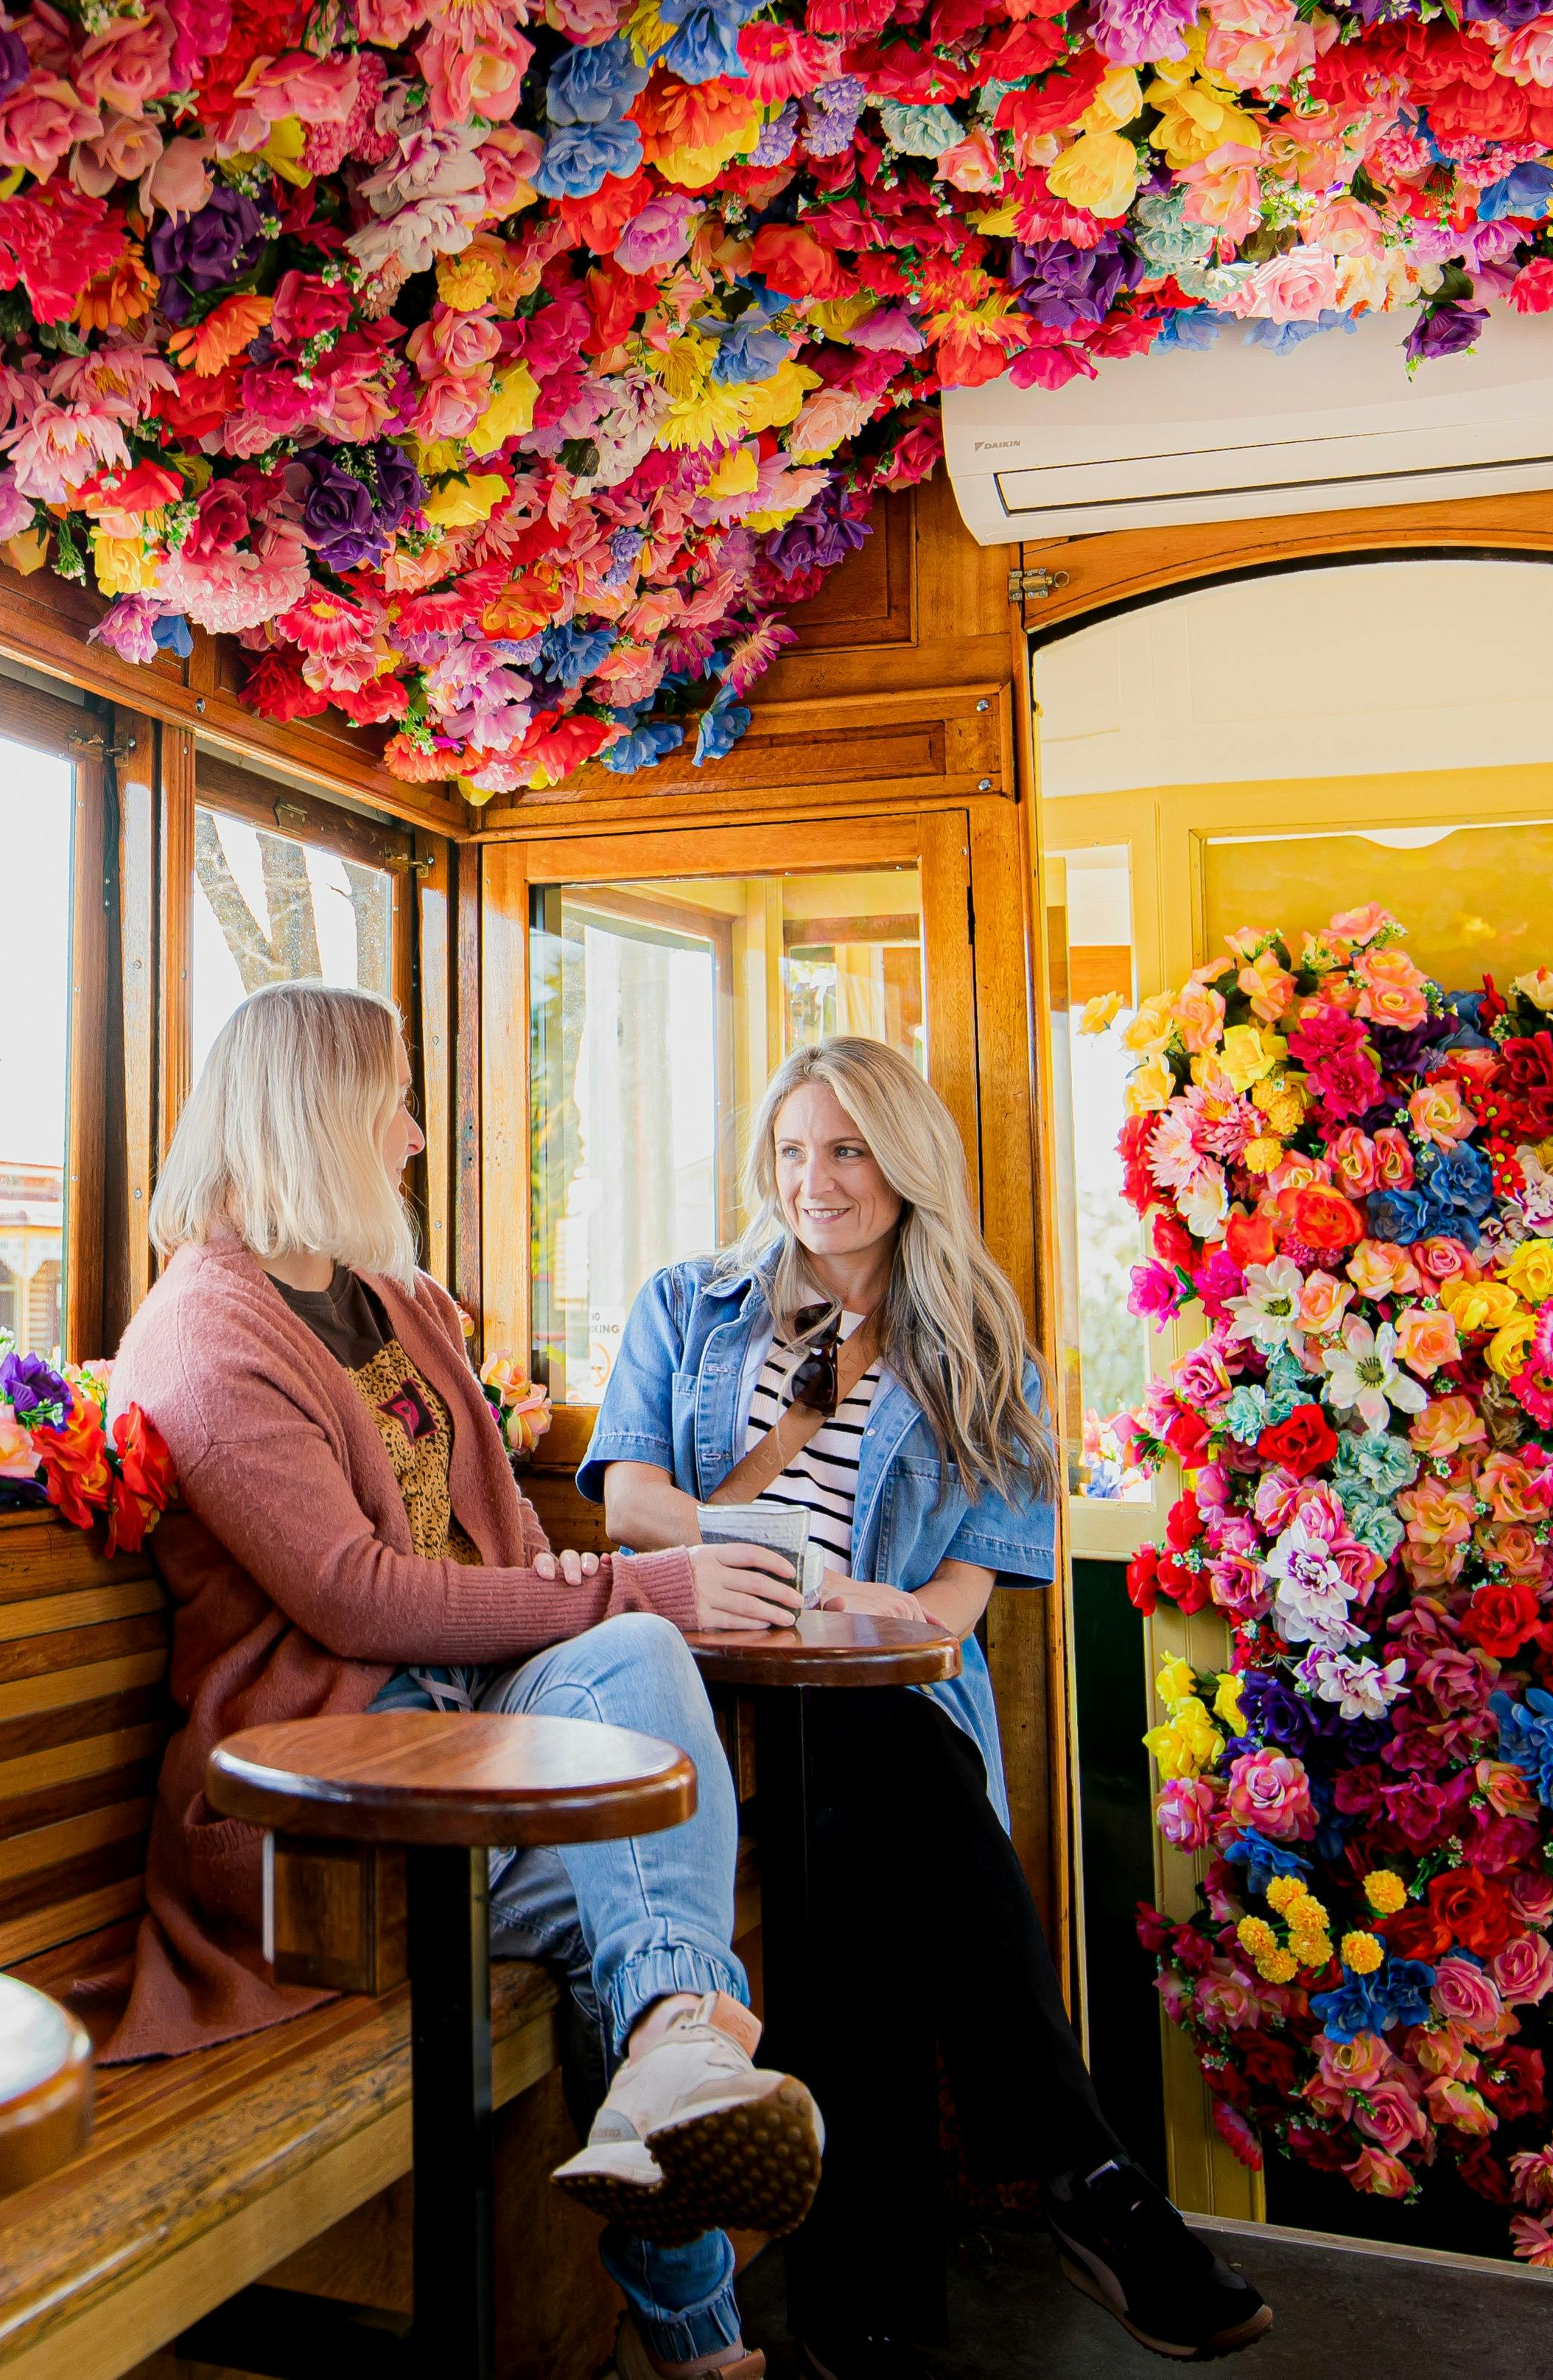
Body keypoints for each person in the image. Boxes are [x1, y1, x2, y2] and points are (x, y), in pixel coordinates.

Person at [97, 979, 820, 2380]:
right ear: (316, 1118)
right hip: (327, 1809)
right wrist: (640, 1580)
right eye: (395, 1105)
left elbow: (511, 1539)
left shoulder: (400, 1301)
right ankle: (695, 2322)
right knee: (643, 1856)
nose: (417, 1134)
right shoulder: (206, 1334)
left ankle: (677, 2065)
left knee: (643, 1858)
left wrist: (614, 1601)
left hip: (467, 1755)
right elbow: (353, 1594)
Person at [586, 1037, 1271, 2373]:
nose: (815, 1181)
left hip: (876, 1705)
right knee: (885, 1783)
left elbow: (970, 1588)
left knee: (864, 1863)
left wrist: (896, 1615)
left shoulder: (976, 1340)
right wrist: (796, 1572)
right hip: (711, 1696)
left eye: (845, 1150)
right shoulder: (693, 1303)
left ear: (905, 1165)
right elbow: (628, 1502)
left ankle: (871, 2326)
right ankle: (1084, 2173)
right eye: (793, 1151)